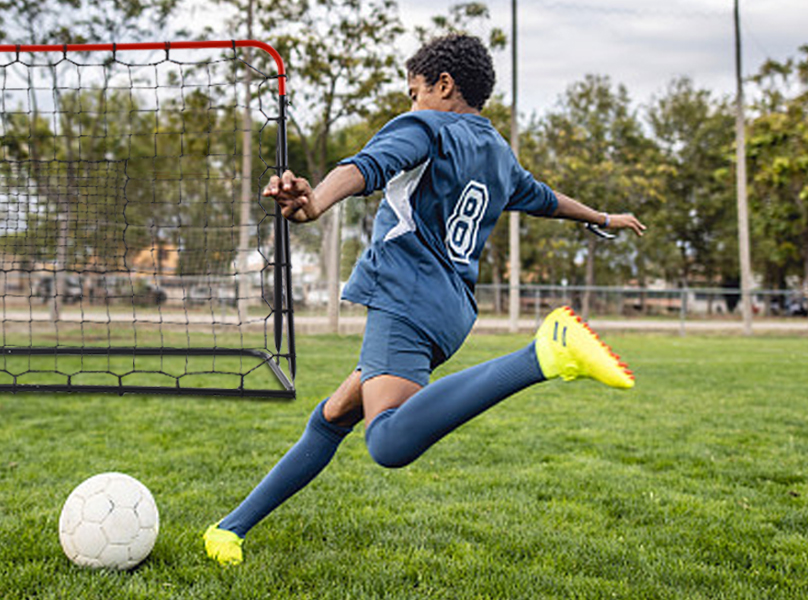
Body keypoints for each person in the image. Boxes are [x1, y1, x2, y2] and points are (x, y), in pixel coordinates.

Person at [203, 33, 648, 566]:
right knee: (334, 416)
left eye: (415, 91)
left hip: (406, 297)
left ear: (444, 85)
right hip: (450, 312)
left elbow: (367, 166)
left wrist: (315, 201)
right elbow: (546, 200)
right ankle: (230, 529)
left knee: (387, 442)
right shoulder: (498, 153)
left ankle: (543, 354)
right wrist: (602, 218)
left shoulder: (425, 126)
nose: (410, 104)